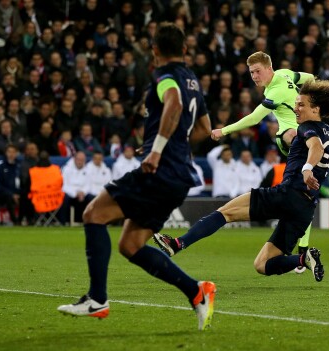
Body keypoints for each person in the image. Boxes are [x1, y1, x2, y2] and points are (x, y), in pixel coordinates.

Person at [57, 23, 215, 331]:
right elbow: (202, 130)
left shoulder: (164, 77)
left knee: (94, 214)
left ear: (154, 50)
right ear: (184, 50)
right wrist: (175, 145)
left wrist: (157, 150)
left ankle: (97, 300)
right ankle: (197, 291)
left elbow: (174, 104)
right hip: (179, 176)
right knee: (130, 245)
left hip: (160, 171)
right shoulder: (193, 80)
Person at [154, 72, 329, 283]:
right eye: (296, 104)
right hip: (306, 209)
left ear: (316, 109)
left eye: (301, 105)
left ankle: (177, 244)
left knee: (226, 213)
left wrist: (307, 168)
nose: (296, 108)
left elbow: (314, 146)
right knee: (262, 265)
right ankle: (303, 259)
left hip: (287, 194)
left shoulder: (306, 128)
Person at [211, 51, 316, 257]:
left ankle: (303, 250)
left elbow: (253, 118)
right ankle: (327, 155)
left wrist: (223, 130)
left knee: (307, 194)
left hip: (301, 136)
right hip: (291, 138)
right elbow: (310, 78)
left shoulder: (275, 92)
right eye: (251, 73)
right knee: (297, 137)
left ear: (269, 69)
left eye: (258, 71)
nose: (254, 76)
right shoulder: (286, 74)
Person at [0, 144, 22, 224]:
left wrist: (19, 194)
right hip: (1, 194)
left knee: (27, 196)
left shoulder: (20, 165)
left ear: (16, 153)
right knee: (9, 197)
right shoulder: (0, 164)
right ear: (6, 153)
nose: (11, 154)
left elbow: (23, 182)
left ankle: (29, 220)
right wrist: (12, 194)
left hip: (17, 194)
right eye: (9, 152)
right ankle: (15, 221)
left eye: (13, 152)